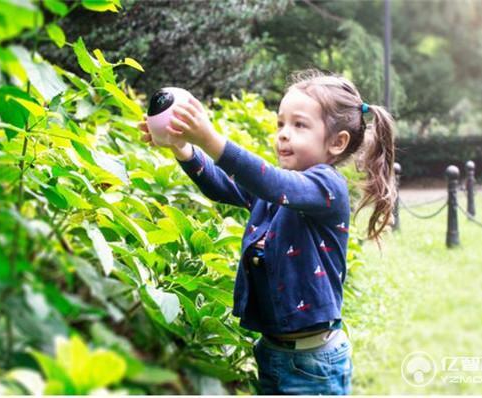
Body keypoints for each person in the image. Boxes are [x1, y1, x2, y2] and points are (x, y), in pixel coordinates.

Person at [138, 68, 397, 395]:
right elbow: (223, 186)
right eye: (280, 124)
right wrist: (182, 148)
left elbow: (271, 183)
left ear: (337, 142)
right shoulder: (278, 191)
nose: (284, 134)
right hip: (272, 352)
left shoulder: (326, 188)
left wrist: (209, 138)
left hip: (313, 364)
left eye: (299, 125)